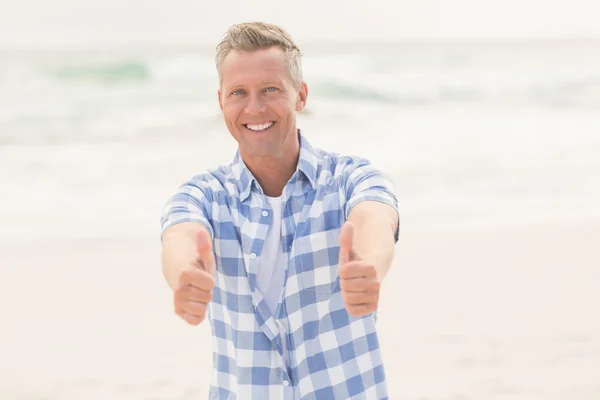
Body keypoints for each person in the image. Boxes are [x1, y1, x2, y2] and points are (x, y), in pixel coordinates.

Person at [160, 21, 399, 399]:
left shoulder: (351, 178)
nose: (254, 108)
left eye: (270, 89)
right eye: (239, 92)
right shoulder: (202, 195)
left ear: (300, 95)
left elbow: (375, 219)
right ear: (221, 101)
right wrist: (184, 277)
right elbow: (179, 236)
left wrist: (369, 266)